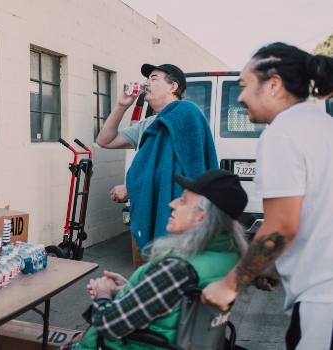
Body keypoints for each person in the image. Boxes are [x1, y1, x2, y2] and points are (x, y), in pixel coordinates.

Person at [201, 42, 333, 350]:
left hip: (322, 300)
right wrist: (272, 265)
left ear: (274, 84)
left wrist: (230, 284)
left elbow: (282, 226)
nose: (241, 96)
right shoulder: (323, 125)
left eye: (245, 86)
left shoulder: (282, 133)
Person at [58, 169, 249, 350]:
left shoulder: (177, 269)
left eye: (183, 201)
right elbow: (175, 303)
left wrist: (104, 293)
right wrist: (130, 289)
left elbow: (109, 325)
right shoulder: (228, 257)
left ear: (201, 217)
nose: (172, 204)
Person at [96, 63, 218, 269]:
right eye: (146, 79)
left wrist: (132, 188)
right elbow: (104, 141)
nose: (145, 83)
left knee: (167, 288)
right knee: (143, 284)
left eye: (153, 78)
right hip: (144, 216)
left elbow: (182, 172)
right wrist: (122, 106)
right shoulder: (148, 124)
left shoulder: (187, 114)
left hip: (175, 223)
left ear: (172, 87)